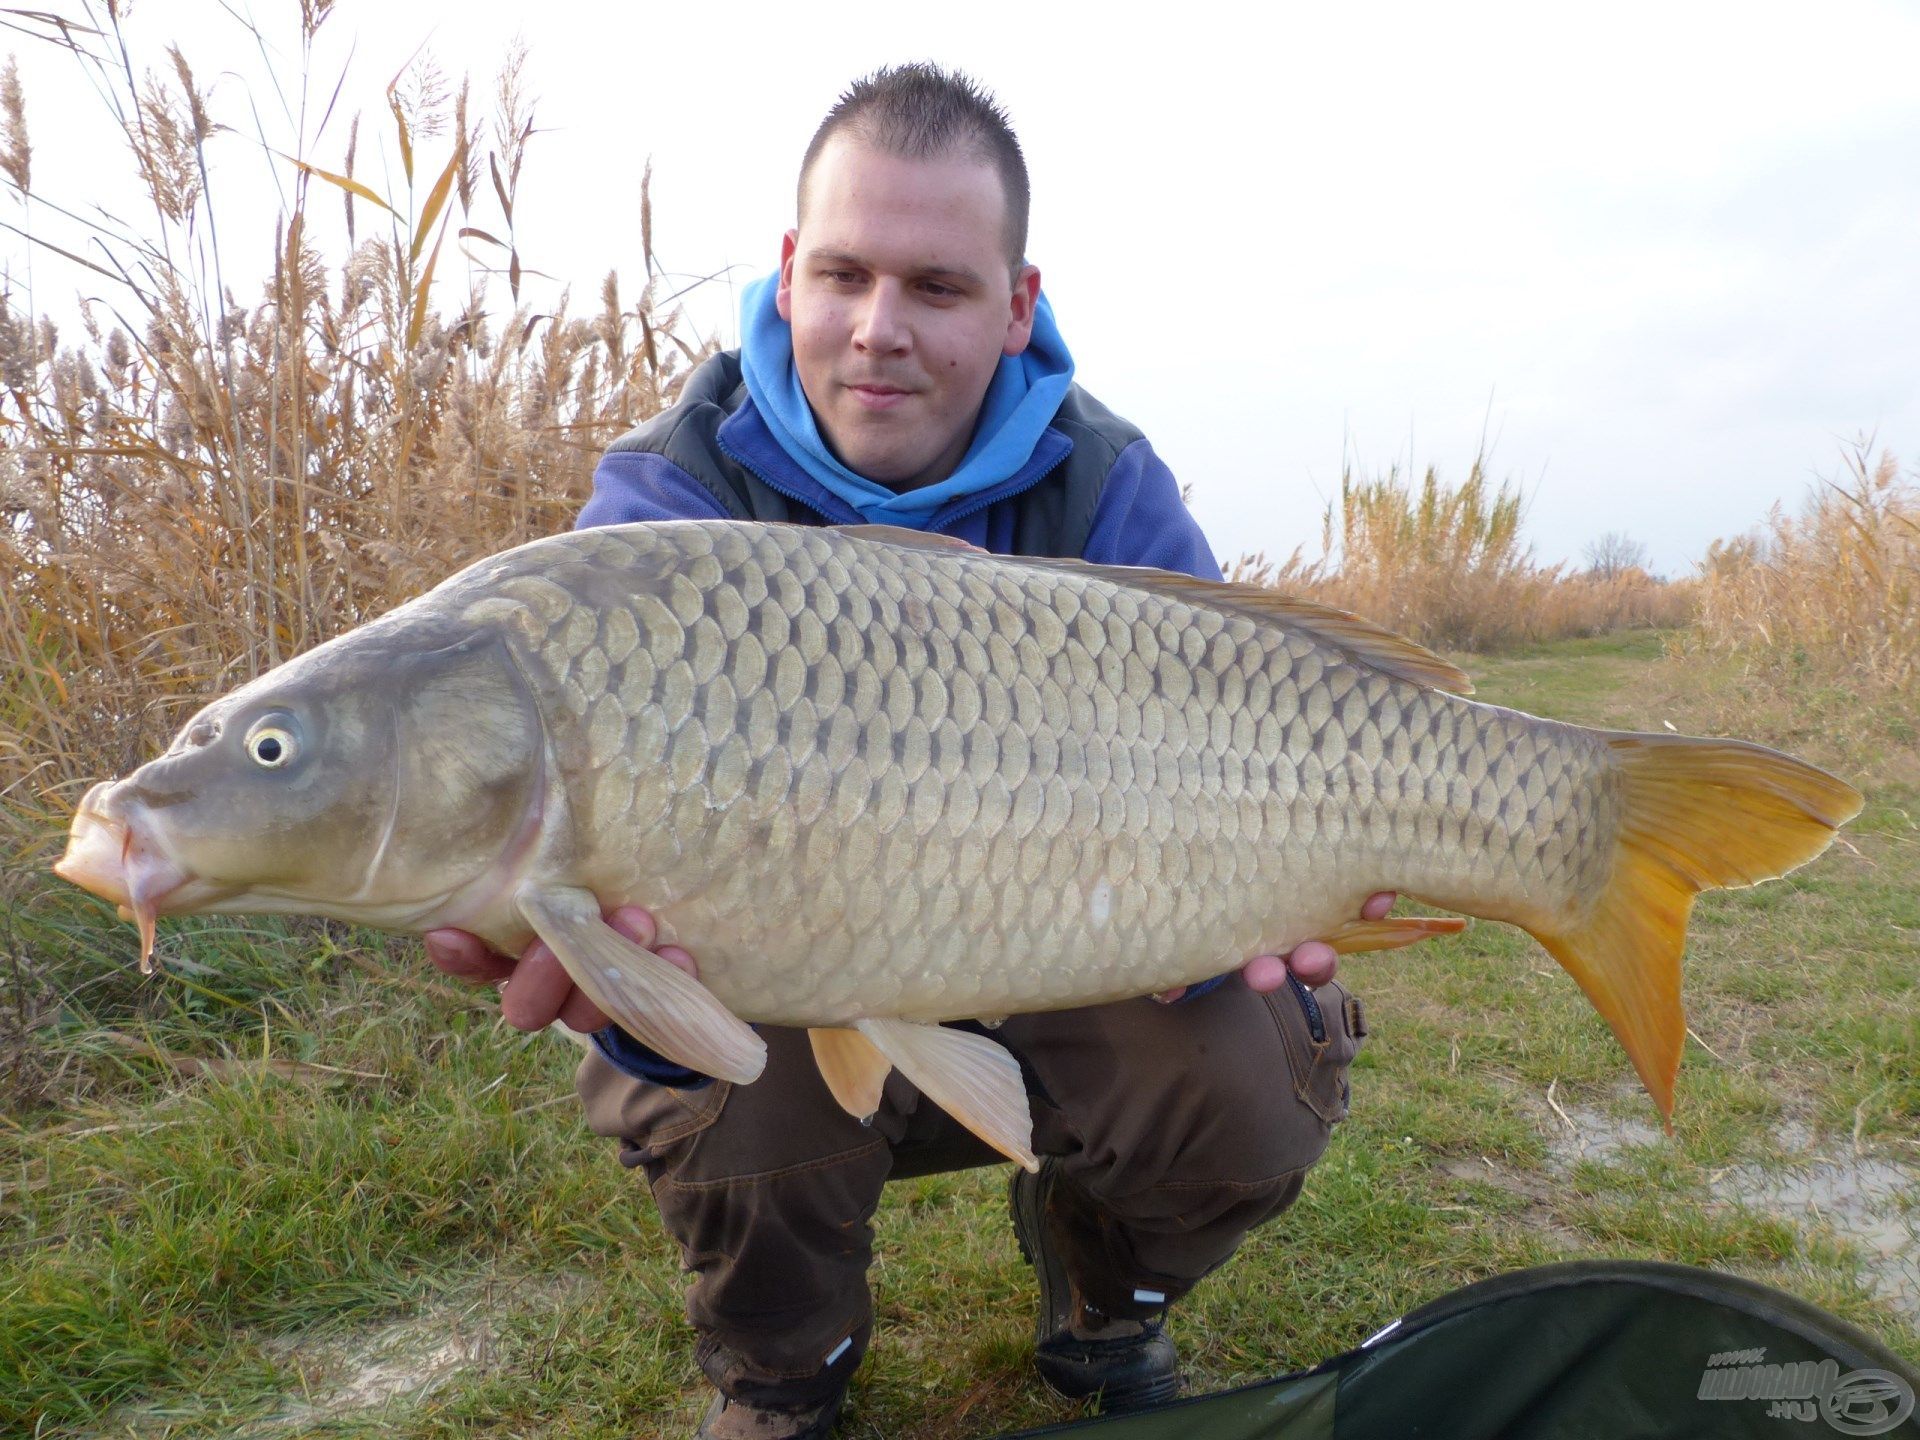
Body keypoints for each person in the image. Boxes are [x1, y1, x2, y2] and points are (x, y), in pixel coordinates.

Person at [426, 64, 1401, 1440]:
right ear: (786, 273)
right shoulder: (669, 507)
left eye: (937, 289)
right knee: (722, 1091)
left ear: (1016, 307)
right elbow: (622, 979)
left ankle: (1105, 1290)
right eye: (843, 275)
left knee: (1254, 1067)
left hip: (1071, 948)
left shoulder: (1105, 486)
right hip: (790, 970)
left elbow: (1241, 745)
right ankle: (785, 1371)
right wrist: (621, 991)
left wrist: (1277, 887)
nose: (878, 330)